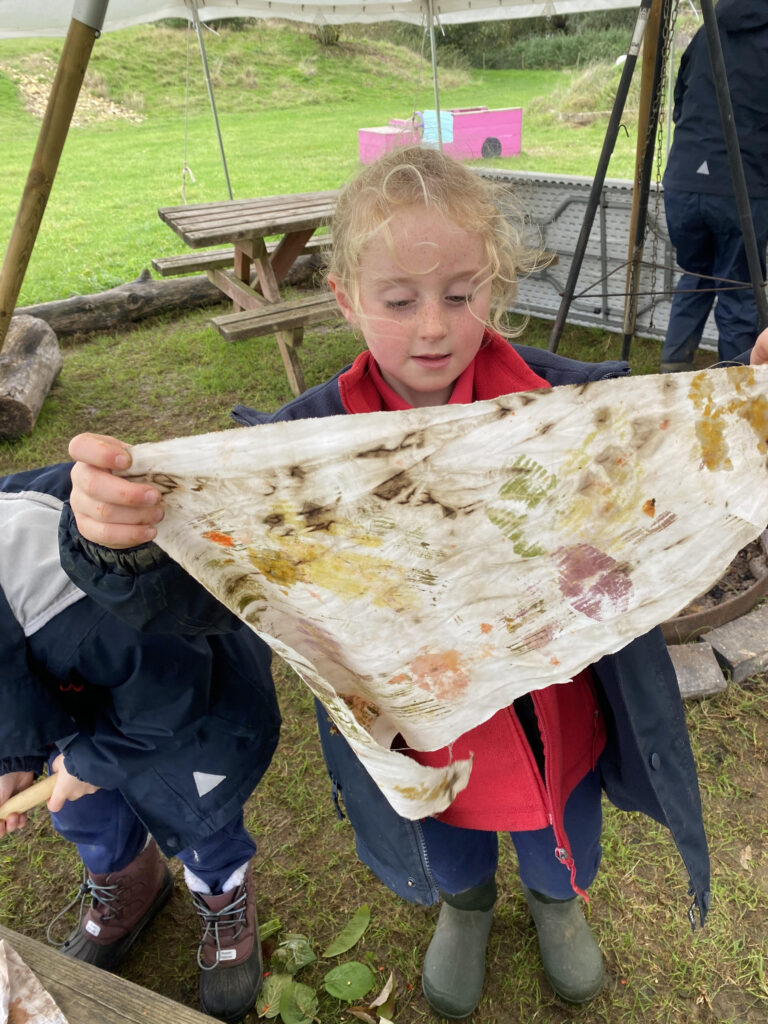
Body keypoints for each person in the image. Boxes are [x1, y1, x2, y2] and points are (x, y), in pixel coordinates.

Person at [60, 146, 710, 1020]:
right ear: (346, 300)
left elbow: (684, 480)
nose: (434, 328)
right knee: (448, 832)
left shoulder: (569, 410)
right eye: (400, 302)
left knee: (563, 831)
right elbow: (200, 595)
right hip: (417, 731)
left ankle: (559, 905)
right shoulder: (295, 456)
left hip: (559, 706)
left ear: (499, 286)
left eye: (461, 293)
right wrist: (119, 542)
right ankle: (466, 908)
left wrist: (751, 413)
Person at [0, 462, 280, 1024]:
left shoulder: (56, 583)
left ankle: (221, 893)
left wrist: (94, 758)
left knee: (199, 810)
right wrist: (13, 758)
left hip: (182, 690)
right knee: (85, 814)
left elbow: (169, 685)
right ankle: (131, 881)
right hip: (72, 688)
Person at [660, 0, 768, 372]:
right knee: (738, 288)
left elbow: (680, 98)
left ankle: (671, 370)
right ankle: (736, 382)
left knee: (696, 274)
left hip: (684, 179)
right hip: (742, 185)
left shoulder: (708, 29)